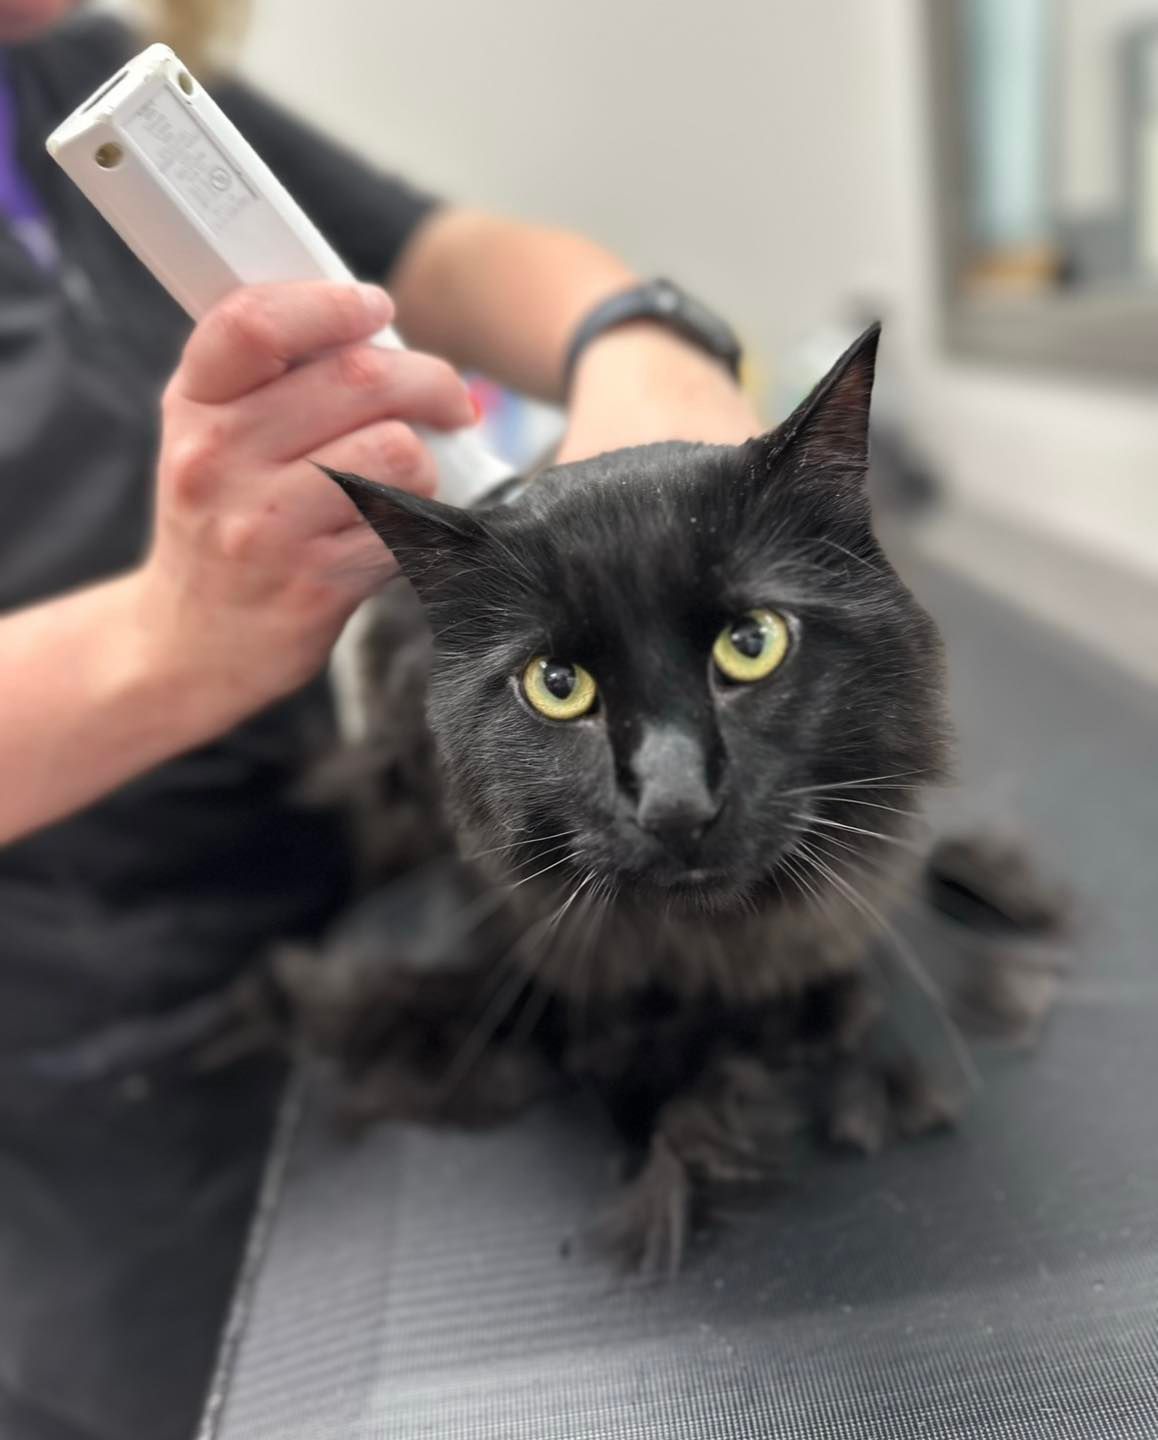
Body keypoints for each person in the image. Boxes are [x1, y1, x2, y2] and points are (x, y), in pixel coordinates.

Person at [0, 2, 761, 1437]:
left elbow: (443, 254)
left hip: (341, 919)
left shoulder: (69, 65)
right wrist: (166, 640)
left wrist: (637, 336)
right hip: (85, 1073)